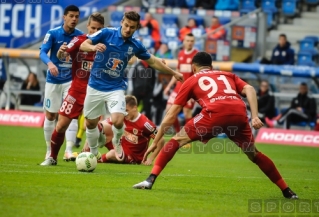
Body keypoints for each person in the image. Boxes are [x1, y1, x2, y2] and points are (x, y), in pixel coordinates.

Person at [133, 51, 298, 199]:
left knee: (176, 141)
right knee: (254, 154)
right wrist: (254, 116)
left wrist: (156, 141)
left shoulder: (191, 80)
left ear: (194, 67)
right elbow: (250, 90)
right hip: (239, 114)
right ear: (211, 66)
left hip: (214, 114)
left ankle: (150, 179)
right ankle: (287, 191)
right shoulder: (228, 75)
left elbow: (171, 114)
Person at [79, 11, 183, 162]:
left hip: (115, 87)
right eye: (126, 25)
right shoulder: (107, 33)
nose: (128, 29)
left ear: (136, 28)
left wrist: (173, 72)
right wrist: (93, 48)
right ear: (122, 22)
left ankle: (117, 142)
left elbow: (153, 61)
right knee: (90, 123)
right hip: (95, 84)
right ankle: (93, 152)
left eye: (132, 27)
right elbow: (83, 44)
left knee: (118, 120)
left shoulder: (135, 44)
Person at [40, 12, 105, 166]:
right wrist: (61, 51)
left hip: (95, 91)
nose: (95, 32)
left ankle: (95, 146)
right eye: (93, 28)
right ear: (88, 26)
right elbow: (63, 53)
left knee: (90, 124)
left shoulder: (107, 44)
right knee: (61, 123)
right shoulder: (78, 39)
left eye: (99, 29)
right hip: (76, 89)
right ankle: (52, 157)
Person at [40, 5, 83, 160]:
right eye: (71, 16)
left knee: (70, 115)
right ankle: (48, 150)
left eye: (76, 16)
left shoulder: (80, 36)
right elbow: (42, 52)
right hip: (53, 80)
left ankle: (69, 150)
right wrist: (50, 64)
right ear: (64, 17)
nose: (74, 19)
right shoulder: (53, 33)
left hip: (71, 81)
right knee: (51, 116)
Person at [83, 95, 164, 165]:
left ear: (135, 108)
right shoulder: (122, 116)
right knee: (100, 126)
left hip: (133, 156)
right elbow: (101, 125)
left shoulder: (144, 124)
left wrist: (151, 158)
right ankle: (85, 153)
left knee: (111, 154)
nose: (124, 113)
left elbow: (161, 140)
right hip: (119, 146)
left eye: (126, 110)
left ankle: (95, 160)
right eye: (123, 110)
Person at [164, 33, 198, 132]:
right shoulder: (181, 54)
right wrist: (168, 86)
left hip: (189, 89)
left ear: (194, 42)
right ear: (183, 42)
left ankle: (188, 136)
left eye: (192, 41)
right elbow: (178, 72)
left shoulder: (196, 55)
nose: (189, 43)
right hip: (178, 87)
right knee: (169, 110)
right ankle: (178, 133)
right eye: (187, 40)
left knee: (187, 112)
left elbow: (198, 74)